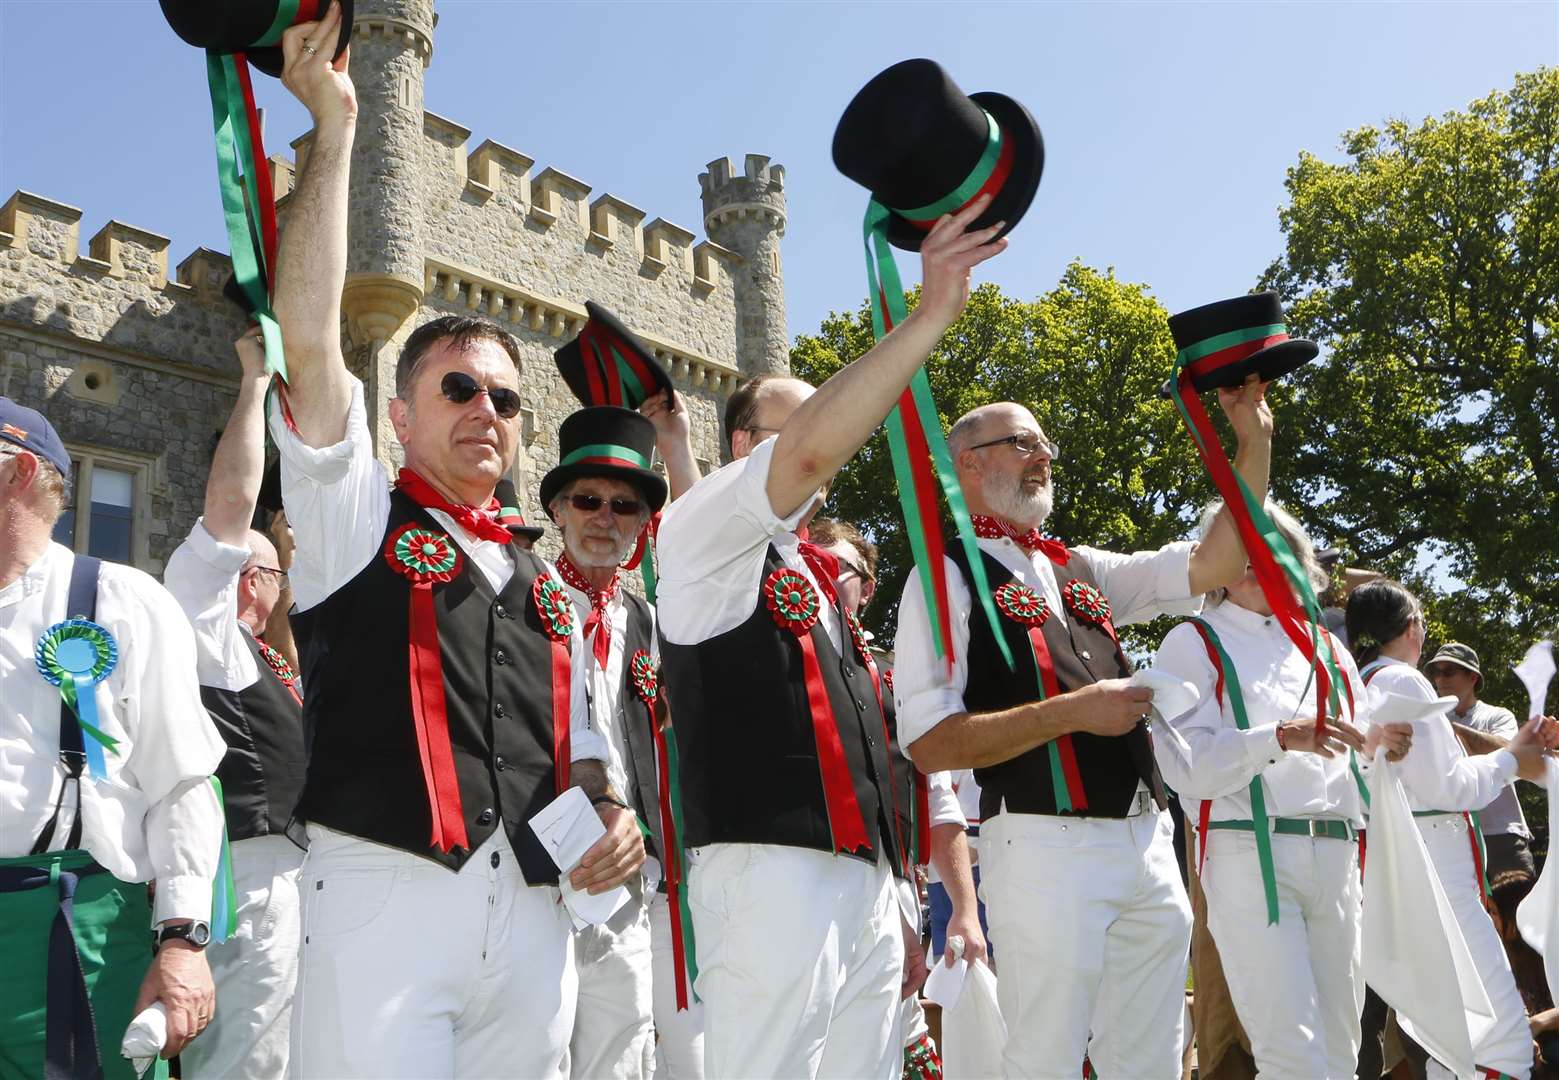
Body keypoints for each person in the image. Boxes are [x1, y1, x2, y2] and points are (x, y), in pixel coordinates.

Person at [267, 11, 641, 1074]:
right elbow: (308, 337)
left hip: (530, 912)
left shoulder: (550, 582)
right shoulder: (352, 521)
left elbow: (581, 751)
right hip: (385, 895)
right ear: (399, 415)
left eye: (508, 399)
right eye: (459, 388)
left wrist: (612, 817)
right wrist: (337, 130)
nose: (487, 409)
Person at [656, 191, 1007, 1078]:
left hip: (862, 882)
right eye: (797, 424)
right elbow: (807, 454)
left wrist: (894, 887)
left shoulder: (816, 580)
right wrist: (930, 313)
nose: (832, 449)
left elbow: (869, 753)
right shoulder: (701, 532)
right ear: (743, 442)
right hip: (765, 869)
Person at [893, 384, 1274, 1078]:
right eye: (1023, 443)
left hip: (1146, 837)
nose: (1043, 455)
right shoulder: (942, 575)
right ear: (969, 466)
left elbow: (1212, 563)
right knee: (1046, 1056)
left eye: (1044, 444)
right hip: (1042, 843)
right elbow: (929, 741)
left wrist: (1251, 445)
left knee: (1151, 1057)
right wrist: (1072, 712)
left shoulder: (1078, 566)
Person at [0, 396, 227, 1078]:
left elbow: (181, 781)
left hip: (72, 932)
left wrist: (183, 941)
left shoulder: (118, 600)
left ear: (18, 473)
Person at [1153, 499, 1411, 1079]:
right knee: (1291, 1052)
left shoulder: (1329, 648)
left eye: (1272, 548)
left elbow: (1360, 768)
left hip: (1340, 857)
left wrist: (1382, 750)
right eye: (1238, 549)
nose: (1253, 561)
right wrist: (1278, 737)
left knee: (1344, 1049)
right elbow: (1185, 765)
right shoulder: (1192, 641)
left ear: (1298, 562)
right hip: (1250, 853)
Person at [164, 327, 309, 1079]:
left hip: (304, 881)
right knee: (248, 1063)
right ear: (253, 580)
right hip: (248, 879)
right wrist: (254, 383)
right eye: (279, 568)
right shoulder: (207, 631)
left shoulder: (274, 658)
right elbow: (228, 508)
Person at [1348, 579, 1556, 1080]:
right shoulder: (1403, 681)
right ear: (1413, 628)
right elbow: (1452, 788)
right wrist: (1512, 761)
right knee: (1501, 1035)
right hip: (1436, 869)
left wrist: (1516, 752)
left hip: (1410, 867)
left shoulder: (1364, 682)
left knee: (1457, 1036)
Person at [807, 516, 985, 1077]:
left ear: (867, 586)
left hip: (892, 895)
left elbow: (937, 802)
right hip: (799, 890)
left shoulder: (896, 679)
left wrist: (962, 909)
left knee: (880, 1056)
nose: (825, 580)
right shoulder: (776, 667)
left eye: (841, 569)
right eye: (813, 564)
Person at [541, 405, 686, 1079]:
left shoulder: (654, 624)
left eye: (623, 506)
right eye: (588, 500)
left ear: (640, 525)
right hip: (533, 870)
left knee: (619, 1054)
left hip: (628, 881)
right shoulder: (522, 598)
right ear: (557, 511)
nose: (604, 517)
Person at [1428, 642, 1538, 878]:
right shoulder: (1430, 720)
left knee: (1515, 913)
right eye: (1436, 672)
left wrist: (1448, 729)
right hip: (1451, 837)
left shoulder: (1497, 716)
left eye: (1448, 671)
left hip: (1502, 836)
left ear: (1473, 678)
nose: (1440, 679)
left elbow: (1512, 754)